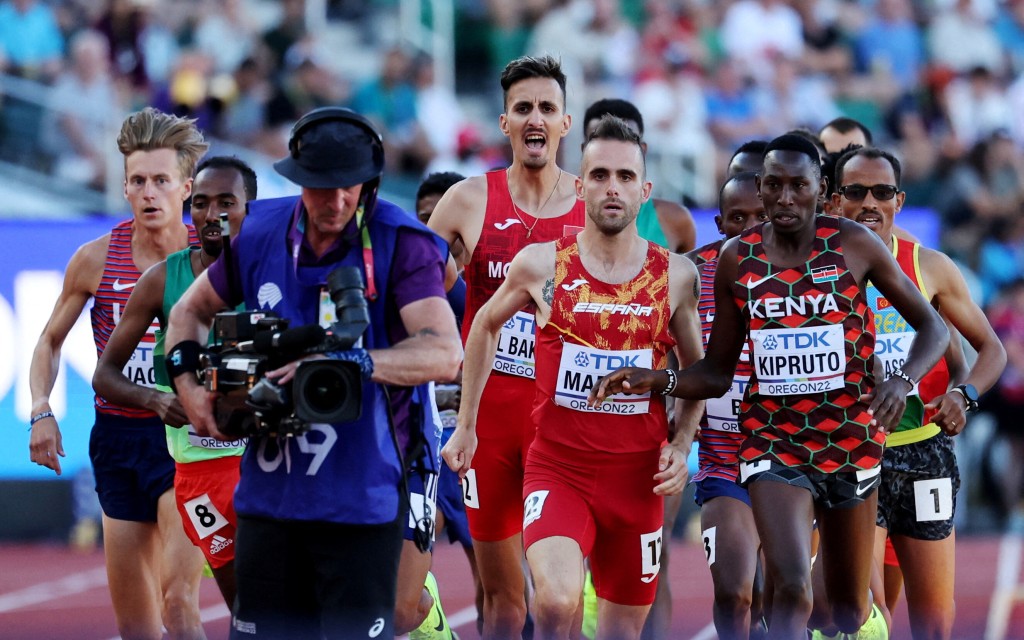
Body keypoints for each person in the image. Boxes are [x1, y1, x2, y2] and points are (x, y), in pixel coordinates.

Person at [591, 133, 950, 639]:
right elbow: (717, 371)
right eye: (774, 186)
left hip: (849, 442)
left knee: (845, 609)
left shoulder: (852, 243)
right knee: (791, 590)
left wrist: (901, 381)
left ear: (819, 190)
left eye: (797, 186)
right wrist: (657, 379)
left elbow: (934, 327)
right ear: (759, 189)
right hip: (773, 443)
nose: (785, 199)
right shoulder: (739, 260)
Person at [165, 106, 463, 638]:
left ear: (369, 182)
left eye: (351, 187)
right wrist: (188, 386)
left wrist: (354, 361)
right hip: (269, 495)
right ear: (299, 181)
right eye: (323, 188)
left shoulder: (403, 242)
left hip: (364, 494)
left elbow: (445, 353)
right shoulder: (259, 232)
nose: (339, 201)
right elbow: (189, 310)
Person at [444, 114, 704, 640]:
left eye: (626, 177)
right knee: (558, 602)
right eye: (602, 175)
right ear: (581, 186)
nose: (613, 188)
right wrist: (466, 423)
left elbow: (697, 371)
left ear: (644, 190)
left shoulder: (676, 275)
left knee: (620, 632)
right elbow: (483, 328)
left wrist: (680, 441)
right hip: (558, 468)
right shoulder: (540, 264)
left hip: (638, 480)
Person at [28, 107, 208, 640]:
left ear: (185, 188)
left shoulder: (210, 259)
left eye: (160, 181)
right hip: (118, 439)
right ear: (124, 188)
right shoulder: (95, 259)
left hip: (185, 439)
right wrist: (41, 409)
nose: (148, 192)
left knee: (179, 603)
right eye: (137, 181)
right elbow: (48, 341)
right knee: (137, 627)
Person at [426, 54, 587, 639]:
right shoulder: (468, 200)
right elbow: (417, 291)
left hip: (565, 423)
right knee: (503, 598)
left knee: (559, 598)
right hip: (487, 423)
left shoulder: (595, 207)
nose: (535, 118)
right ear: (505, 122)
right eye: (524, 109)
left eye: (547, 108)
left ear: (566, 123)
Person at [833, 146, 1007, 640]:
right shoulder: (818, 270)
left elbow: (991, 349)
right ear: (836, 200)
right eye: (856, 192)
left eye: (882, 192)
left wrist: (965, 394)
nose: (870, 202)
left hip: (923, 455)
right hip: (850, 456)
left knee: (935, 618)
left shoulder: (928, 265)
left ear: (900, 200)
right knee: (868, 615)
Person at [92, 156, 258, 608]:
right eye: (202, 203)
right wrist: (155, 401)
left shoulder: (273, 273)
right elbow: (104, 375)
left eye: (228, 202)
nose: (212, 215)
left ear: (251, 208)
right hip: (198, 473)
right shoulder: (163, 279)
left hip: (266, 463)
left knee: (294, 599)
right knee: (243, 607)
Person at [580, 95, 698, 640]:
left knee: (654, 557)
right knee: (569, 566)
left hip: (654, 414)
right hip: (575, 417)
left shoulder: (672, 220)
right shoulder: (559, 222)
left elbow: (689, 318)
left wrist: (676, 402)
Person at [688, 171, 769, 640]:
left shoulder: (802, 274)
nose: (751, 228)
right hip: (724, 465)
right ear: (720, 223)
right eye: (739, 218)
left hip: (792, 461)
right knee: (735, 596)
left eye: (760, 216)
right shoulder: (691, 277)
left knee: (785, 598)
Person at [415, 170, 485, 632]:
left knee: (495, 580)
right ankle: (431, 616)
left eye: (444, 223)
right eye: (424, 222)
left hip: (475, 444)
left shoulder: (478, 292)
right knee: (409, 566)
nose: (434, 235)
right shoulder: (409, 288)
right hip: (425, 444)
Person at [582, 98, 697, 254]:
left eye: (628, 139)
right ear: (585, 149)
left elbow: (687, 276)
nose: (614, 150)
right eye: (600, 139)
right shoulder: (558, 213)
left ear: (642, 149)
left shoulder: (675, 220)